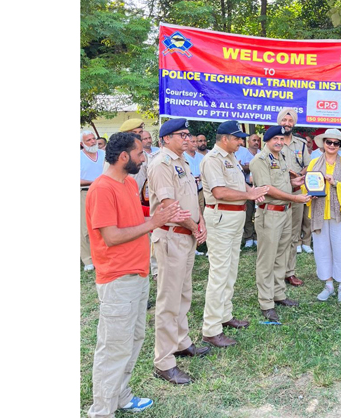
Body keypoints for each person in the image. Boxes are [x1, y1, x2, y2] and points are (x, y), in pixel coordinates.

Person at [85, 132, 189, 417]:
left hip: (138, 274)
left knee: (133, 341)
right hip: (118, 280)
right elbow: (112, 236)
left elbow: (133, 220)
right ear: (123, 157)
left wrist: (161, 217)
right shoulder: (102, 189)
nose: (144, 158)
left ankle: (121, 396)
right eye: (140, 154)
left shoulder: (129, 182)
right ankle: (102, 410)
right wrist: (154, 221)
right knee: (113, 349)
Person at [148, 118, 211, 385]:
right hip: (172, 236)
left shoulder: (182, 162)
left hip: (186, 235)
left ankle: (181, 342)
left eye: (187, 134)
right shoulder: (161, 164)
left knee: (184, 293)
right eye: (181, 134)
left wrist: (201, 222)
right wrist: (195, 226)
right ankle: (164, 361)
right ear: (165, 139)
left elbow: (193, 199)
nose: (187, 138)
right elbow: (171, 206)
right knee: (168, 300)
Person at [200, 121, 269, 348]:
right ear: (225, 138)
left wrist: (253, 192)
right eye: (238, 138)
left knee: (230, 269)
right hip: (221, 217)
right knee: (219, 272)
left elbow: (241, 187)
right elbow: (219, 191)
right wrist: (248, 195)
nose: (241, 142)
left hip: (234, 217)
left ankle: (225, 315)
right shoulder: (212, 160)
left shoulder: (230, 159)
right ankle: (211, 329)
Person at [249, 125, 312, 322]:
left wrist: (294, 184)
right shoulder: (259, 160)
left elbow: (281, 183)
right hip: (270, 214)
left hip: (284, 213)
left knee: (281, 255)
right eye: (275, 139)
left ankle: (279, 294)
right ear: (266, 141)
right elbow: (266, 189)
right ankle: (266, 303)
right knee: (267, 260)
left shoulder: (281, 157)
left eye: (281, 139)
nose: (279, 142)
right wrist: (295, 198)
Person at [301, 129, 341, 304]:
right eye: (329, 142)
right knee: (322, 250)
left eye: (336, 143)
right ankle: (328, 285)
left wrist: (335, 183)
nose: (332, 146)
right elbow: (306, 184)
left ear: (340, 146)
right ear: (323, 144)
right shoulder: (314, 163)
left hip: (339, 213)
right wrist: (311, 193)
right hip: (319, 212)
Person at [277, 108, 312, 284]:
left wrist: (299, 176)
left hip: (297, 193)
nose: (287, 123)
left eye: (290, 121)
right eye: (284, 120)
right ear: (279, 122)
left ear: (294, 123)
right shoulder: (272, 141)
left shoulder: (301, 144)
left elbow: (308, 165)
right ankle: (276, 272)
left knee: (293, 234)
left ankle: (289, 272)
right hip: (278, 193)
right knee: (277, 234)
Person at [81, 130, 106, 271]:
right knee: (85, 227)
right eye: (88, 140)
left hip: (104, 193)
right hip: (85, 193)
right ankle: (88, 260)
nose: (93, 141)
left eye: (93, 138)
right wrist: (95, 182)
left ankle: (102, 255)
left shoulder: (104, 155)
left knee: (103, 224)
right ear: (82, 144)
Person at [238, 133, 261, 248]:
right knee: (247, 213)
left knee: (258, 214)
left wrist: (247, 166)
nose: (256, 142)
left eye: (258, 140)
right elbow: (238, 167)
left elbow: (245, 167)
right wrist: (250, 167)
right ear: (248, 142)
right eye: (254, 140)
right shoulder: (241, 152)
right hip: (246, 186)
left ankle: (257, 236)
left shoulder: (262, 153)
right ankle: (248, 237)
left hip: (259, 187)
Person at [183, 135, 206, 249]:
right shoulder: (183, 157)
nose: (195, 143)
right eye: (193, 141)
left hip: (200, 190)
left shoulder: (201, 157)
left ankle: (200, 240)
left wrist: (201, 177)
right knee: (191, 214)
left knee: (200, 214)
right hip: (188, 191)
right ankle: (193, 242)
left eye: (196, 141)